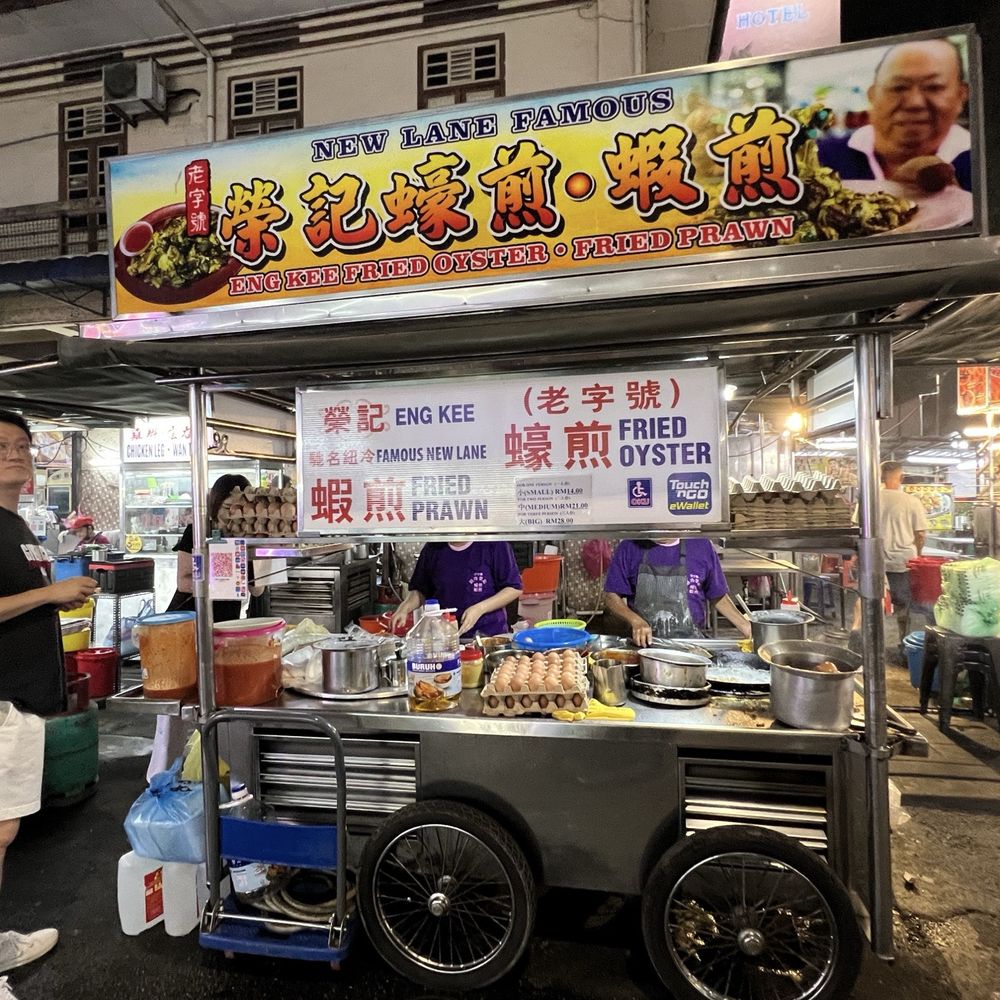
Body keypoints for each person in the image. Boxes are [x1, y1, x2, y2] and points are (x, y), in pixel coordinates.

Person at [0, 409, 98, 974]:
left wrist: (53, 597)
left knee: (3, 831)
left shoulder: (15, 526)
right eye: (0, 446)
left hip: (18, 702)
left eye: (21, 445)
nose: (14, 454)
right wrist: (46, 595)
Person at [818, 39, 972, 191]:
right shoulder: (821, 158)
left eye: (933, 87)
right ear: (872, 95)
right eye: (899, 87)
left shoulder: (979, 162)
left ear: (961, 95)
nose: (914, 102)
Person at [604, 538, 751, 645]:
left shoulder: (701, 545)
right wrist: (635, 621)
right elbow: (612, 596)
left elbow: (717, 595)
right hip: (645, 645)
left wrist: (746, 627)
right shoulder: (629, 546)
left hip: (692, 645)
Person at [167, 474, 255, 623]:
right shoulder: (197, 532)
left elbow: (257, 589)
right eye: (227, 507)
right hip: (189, 617)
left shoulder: (249, 538)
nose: (234, 514)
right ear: (216, 504)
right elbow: (183, 583)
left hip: (226, 619)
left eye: (241, 508)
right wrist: (226, 583)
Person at [390, 540, 522, 639]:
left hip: (488, 636)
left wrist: (480, 608)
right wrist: (405, 608)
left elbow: (514, 588)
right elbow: (420, 590)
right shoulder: (433, 548)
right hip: (443, 637)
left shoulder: (493, 545)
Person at [878, 461, 929, 652]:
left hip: (875, 561)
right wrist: (919, 554)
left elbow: (858, 529)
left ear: (881, 477)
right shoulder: (912, 501)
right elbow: (920, 535)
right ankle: (903, 643)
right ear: (901, 477)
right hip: (903, 561)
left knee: (873, 601)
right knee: (903, 605)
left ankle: (874, 644)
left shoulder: (869, 500)